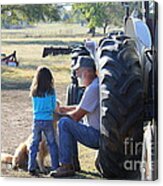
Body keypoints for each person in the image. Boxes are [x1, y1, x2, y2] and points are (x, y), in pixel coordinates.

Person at [50, 56, 100, 177]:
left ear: (87, 72)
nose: (77, 74)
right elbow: (82, 107)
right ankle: (73, 164)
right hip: (99, 132)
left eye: (79, 71)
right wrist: (64, 109)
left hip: (96, 135)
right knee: (68, 123)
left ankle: (66, 165)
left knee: (65, 124)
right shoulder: (96, 84)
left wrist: (57, 115)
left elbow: (77, 116)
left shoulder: (93, 89)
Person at [28, 66, 59, 176]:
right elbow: (54, 107)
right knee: (52, 144)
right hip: (48, 121)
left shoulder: (34, 91)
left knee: (34, 144)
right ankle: (55, 166)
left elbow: (35, 106)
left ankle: (31, 166)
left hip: (36, 120)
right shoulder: (51, 92)